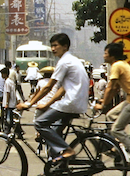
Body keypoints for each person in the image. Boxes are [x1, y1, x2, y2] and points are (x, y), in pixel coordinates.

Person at [16, 34, 89, 163]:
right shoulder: (72, 60)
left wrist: (28, 104)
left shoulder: (64, 62)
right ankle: (56, 164)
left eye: (56, 46)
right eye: (52, 46)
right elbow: (61, 90)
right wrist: (47, 104)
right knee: (55, 132)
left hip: (70, 103)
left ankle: (67, 150)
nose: (53, 49)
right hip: (77, 102)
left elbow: (48, 87)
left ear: (65, 46)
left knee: (39, 123)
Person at [94, 43, 130, 162]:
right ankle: (119, 144)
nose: (104, 56)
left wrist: (103, 105)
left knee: (116, 129)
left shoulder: (117, 66)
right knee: (110, 115)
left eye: (106, 53)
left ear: (112, 56)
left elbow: (110, 87)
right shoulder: (122, 64)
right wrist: (105, 100)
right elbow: (115, 88)